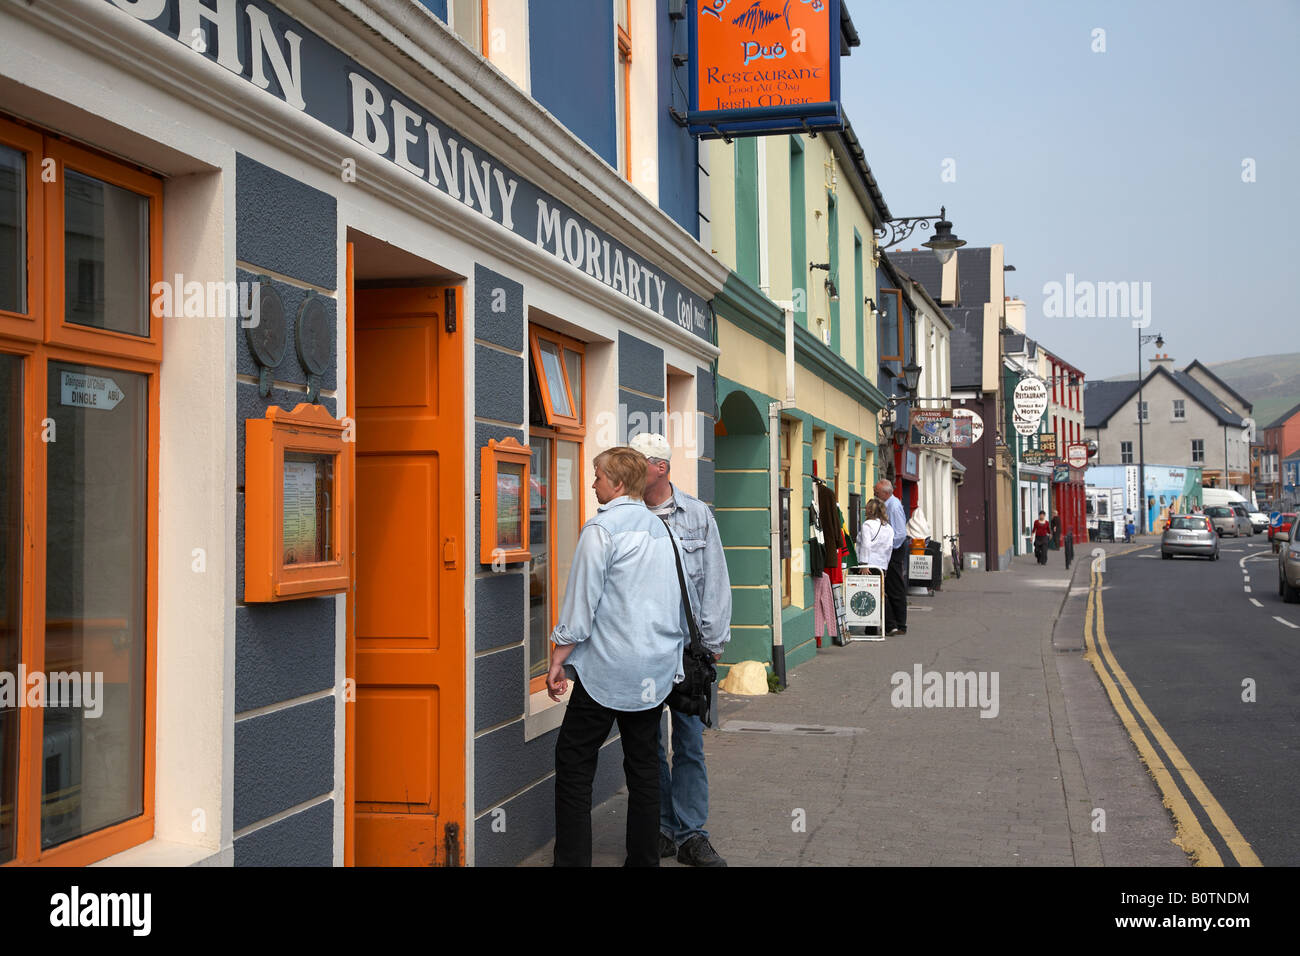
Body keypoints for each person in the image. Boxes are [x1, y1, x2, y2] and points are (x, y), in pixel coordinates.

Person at [549, 446, 690, 867]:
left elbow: (580, 606)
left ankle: (572, 861)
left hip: (608, 668)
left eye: (597, 476)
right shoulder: (661, 530)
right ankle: (644, 861)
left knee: (574, 761)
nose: (593, 483)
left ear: (617, 482)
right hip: (653, 668)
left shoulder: (601, 530)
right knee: (645, 766)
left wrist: (558, 657)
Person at [630, 432, 731, 868]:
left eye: (639, 463)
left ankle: (692, 834)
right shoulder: (624, 516)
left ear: (661, 468)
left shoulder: (696, 515)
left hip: (689, 652)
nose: (631, 471)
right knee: (647, 745)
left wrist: (712, 642)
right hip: (643, 651)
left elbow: (715, 580)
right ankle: (663, 828)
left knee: (689, 744)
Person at [875, 479, 908, 635]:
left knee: (895, 587)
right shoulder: (888, 505)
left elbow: (900, 534)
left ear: (885, 493)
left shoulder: (893, 506)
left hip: (895, 550)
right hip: (891, 550)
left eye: (877, 492)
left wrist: (887, 547)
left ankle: (900, 625)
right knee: (890, 586)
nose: (875, 494)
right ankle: (895, 623)